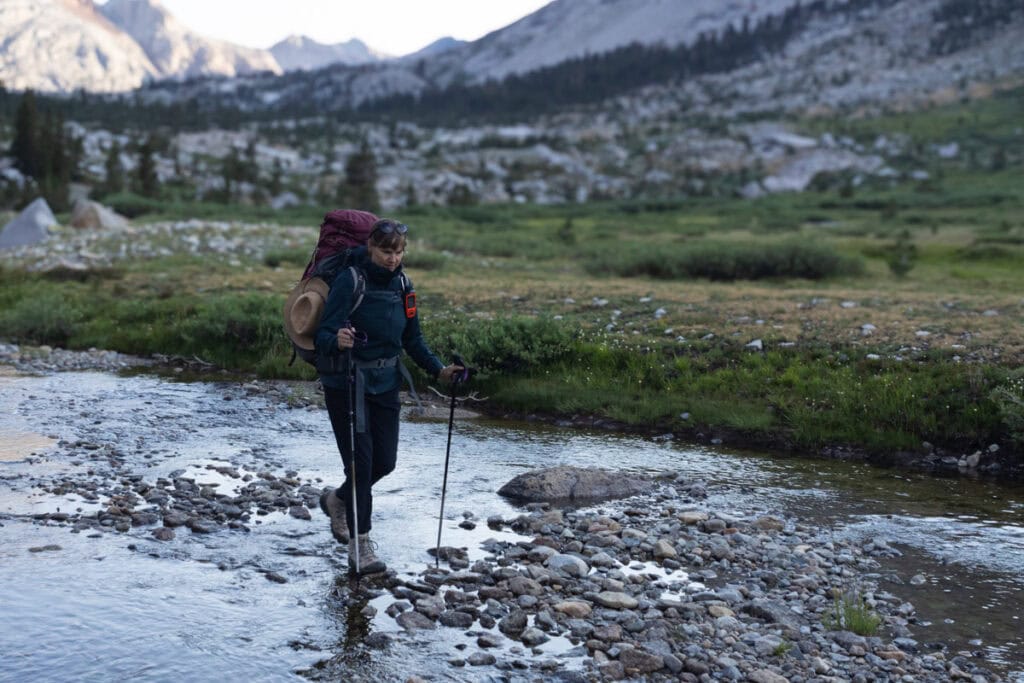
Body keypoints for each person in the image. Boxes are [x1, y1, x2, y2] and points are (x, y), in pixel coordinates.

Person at [315, 218, 462, 574]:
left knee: (386, 463)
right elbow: (322, 334)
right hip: (348, 385)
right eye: (386, 251)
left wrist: (439, 371)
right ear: (371, 247)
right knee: (362, 467)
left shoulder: (403, 285)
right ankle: (360, 547)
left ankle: (337, 499)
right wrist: (337, 339)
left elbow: (413, 339)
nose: (392, 258)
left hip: (386, 383)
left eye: (398, 252)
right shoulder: (350, 281)